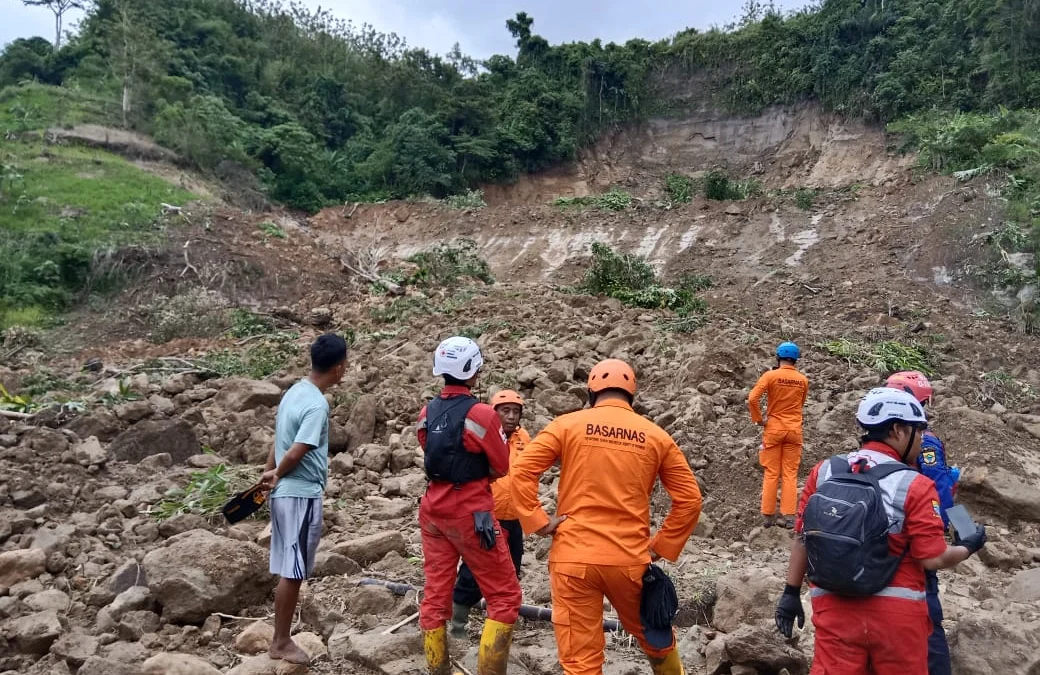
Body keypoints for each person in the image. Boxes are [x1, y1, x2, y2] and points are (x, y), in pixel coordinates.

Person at [774, 388, 987, 675]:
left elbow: (803, 538)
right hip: (897, 616)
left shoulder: (824, 471)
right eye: (919, 430)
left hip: (833, 607)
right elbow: (932, 558)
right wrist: (969, 546)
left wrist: (790, 593)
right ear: (898, 430)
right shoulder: (915, 483)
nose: (922, 438)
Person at [510, 359, 703, 675]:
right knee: (656, 637)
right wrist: (661, 546)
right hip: (629, 559)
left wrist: (539, 521)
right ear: (632, 396)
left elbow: (520, 472)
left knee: (581, 662)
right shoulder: (656, 436)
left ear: (591, 392)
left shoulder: (567, 425)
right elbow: (690, 500)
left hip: (574, 559)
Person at [417, 336, 522, 675]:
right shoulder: (481, 414)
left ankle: (439, 670)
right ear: (473, 372)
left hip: (433, 508)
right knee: (505, 597)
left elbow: (428, 447)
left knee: (435, 595)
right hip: (472, 512)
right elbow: (502, 464)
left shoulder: (427, 412)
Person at [259, 333, 348, 665]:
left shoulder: (294, 392)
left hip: (284, 491)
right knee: (293, 571)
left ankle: (280, 637)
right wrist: (279, 473)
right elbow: (298, 449)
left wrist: (269, 473)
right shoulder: (317, 403)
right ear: (339, 368)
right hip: (299, 493)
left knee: (288, 565)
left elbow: (278, 438)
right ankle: (280, 641)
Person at [886, 371, 959, 675]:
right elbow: (939, 487)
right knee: (928, 616)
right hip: (918, 533)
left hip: (886, 537)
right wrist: (948, 524)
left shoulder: (879, 441)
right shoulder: (926, 443)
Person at [450, 389, 531, 638]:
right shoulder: (481, 434)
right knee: (473, 571)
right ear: (493, 413)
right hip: (485, 515)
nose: (511, 416)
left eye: (515, 411)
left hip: (513, 518)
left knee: (511, 572)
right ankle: (458, 625)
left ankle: (500, 626)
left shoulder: (522, 438)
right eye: (505, 411)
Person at [748, 341, 809, 528]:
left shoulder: (771, 375)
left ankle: (768, 516)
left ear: (778, 357)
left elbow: (752, 398)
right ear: (796, 360)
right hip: (794, 431)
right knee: (790, 474)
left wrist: (759, 420)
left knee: (772, 472)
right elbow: (801, 403)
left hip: (774, 429)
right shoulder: (802, 380)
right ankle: (789, 517)